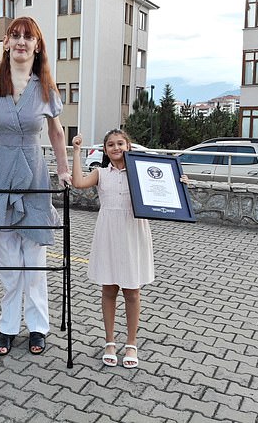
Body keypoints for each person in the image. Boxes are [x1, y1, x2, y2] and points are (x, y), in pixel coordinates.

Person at [0, 16, 71, 357]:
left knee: (35, 259)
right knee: (7, 260)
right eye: (16, 36)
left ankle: (38, 327)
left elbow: (55, 133)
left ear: (37, 46)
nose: (22, 42)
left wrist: (64, 171)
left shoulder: (46, 88)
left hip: (33, 175)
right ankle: (8, 327)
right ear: (6, 42)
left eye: (29, 37)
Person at [71, 129, 187, 369]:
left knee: (132, 290)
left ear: (128, 146)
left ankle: (132, 343)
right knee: (109, 288)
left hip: (133, 231)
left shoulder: (140, 173)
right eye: (111, 145)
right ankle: (110, 342)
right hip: (108, 232)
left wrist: (179, 183)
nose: (116, 148)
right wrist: (76, 152)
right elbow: (78, 182)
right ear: (105, 150)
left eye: (120, 143)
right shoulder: (100, 173)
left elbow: (163, 187)